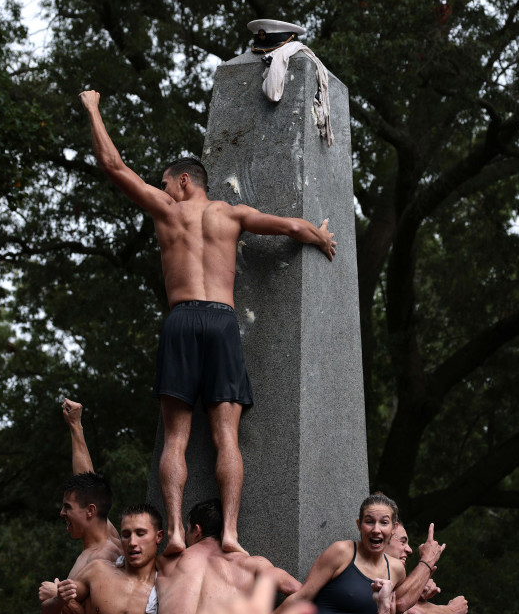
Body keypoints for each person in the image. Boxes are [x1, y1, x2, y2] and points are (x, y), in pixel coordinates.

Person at [79, 89, 337, 555]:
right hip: (221, 321)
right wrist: (321, 235)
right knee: (226, 436)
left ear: (181, 182)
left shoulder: (167, 211)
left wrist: (94, 107)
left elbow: (113, 166)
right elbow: (294, 228)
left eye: (165, 181)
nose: (162, 188)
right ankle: (232, 533)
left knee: (176, 437)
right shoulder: (231, 214)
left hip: (181, 320)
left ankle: (175, 530)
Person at [274, 493, 446, 614]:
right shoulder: (341, 552)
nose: (376, 529)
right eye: (369, 521)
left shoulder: (396, 570)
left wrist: (426, 573)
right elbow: (302, 597)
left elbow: (399, 608)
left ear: (393, 528)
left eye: (384, 523)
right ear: (359, 525)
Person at [38, 400, 122, 614]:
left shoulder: (111, 554)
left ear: (90, 511)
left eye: (67, 508)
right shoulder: (97, 541)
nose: (62, 513)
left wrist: (58, 596)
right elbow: (85, 482)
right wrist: (75, 426)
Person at [156, 499, 302, 614]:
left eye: (188, 529)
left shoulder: (167, 562)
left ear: (197, 530)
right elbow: (297, 590)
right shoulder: (251, 564)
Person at [58, 504, 165, 614]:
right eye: (126, 535)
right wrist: (56, 598)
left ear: (158, 537)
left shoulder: (167, 587)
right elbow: (58, 605)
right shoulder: (98, 571)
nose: (132, 542)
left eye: (140, 534)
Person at [386, 523, 467, 614]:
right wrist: (452, 611)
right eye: (403, 542)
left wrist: (416, 592)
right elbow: (401, 603)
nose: (410, 550)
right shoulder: (371, 576)